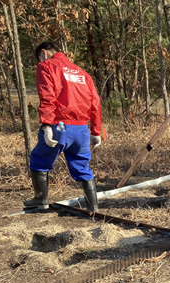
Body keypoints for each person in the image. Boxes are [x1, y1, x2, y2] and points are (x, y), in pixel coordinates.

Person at [24, 41, 102, 213]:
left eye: (39, 58)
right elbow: (95, 103)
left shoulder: (46, 66)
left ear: (44, 53)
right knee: (83, 167)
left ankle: (41, 199)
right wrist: (96, 131)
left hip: (58, 126)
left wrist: (45, 124)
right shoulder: (82, 73)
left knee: (39, 160)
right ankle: (93, 207)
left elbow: (47, 97)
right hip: (81, 129)